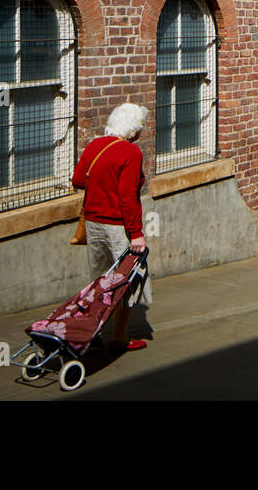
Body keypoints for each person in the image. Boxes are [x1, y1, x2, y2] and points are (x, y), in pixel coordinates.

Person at [72, 102, 152, 352]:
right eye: (140, 128)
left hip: (93, 223)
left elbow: (77, 179)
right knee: (125, 282)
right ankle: (119, 338)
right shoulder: (131, 153)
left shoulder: (95, 145)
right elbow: (127, 197)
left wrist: (101, 188)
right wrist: (137, 234)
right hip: (118, 226)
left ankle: (91, 335)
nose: (141, 133)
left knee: (100, 282)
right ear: (133, 130)